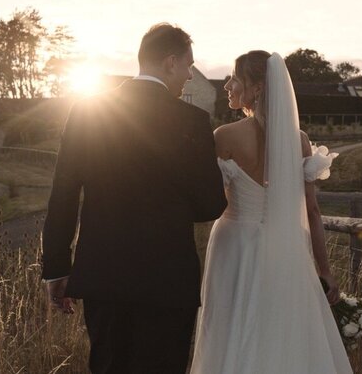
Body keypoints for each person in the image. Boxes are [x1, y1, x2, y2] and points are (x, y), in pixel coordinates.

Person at [41, 23, 227, 374]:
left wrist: (57, 268)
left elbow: (63, 194)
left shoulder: (86, 111)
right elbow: (211, 204)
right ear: (170, 62)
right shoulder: (192, 120)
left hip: (104, 275)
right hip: (168, 280)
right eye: (188, 66)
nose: (189, 76)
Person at [191, 51, 353, 373]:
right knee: (278, 328)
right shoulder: (300, 141)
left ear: (258, 88)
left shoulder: (224, 137)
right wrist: (324, 269)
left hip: (233, 245)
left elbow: (205, 199)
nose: (227, 86)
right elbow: (312, 212)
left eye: (235, 78)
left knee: (228, 328)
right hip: (284, 249)